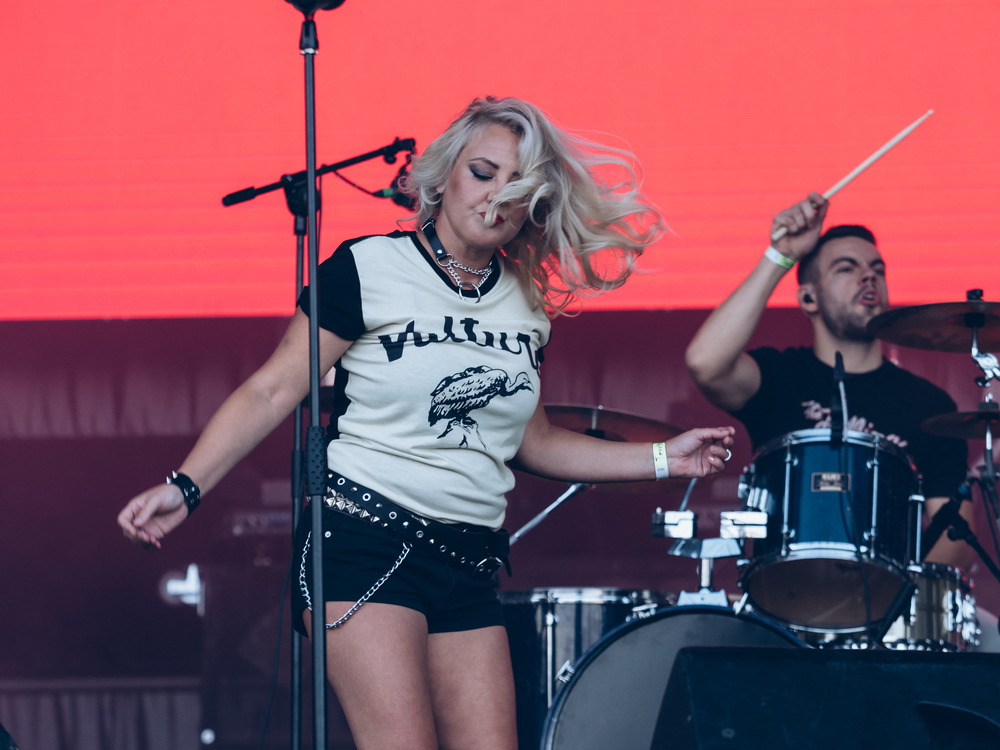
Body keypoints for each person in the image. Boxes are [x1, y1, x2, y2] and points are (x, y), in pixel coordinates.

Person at [118, 97, 736, 750]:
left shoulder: (525, 304)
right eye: (484, 172)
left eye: (518, 186)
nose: (497, 195)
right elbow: (274, 389)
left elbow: (536, 442)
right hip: (362, 543)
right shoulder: (369, 268)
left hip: (466, 562)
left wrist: (668, 457)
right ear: (442, 178)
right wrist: (185, 487)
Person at [685, 192, 972, 570]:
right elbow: (705, 363)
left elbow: (957, 534)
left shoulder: (930, 405)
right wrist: (781, 254)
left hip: (890, 606)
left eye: (877, 268)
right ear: (808, 298)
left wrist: (904, 611)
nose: (869, 275)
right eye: (846, 268)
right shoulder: (779, 376)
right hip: (781, 593)